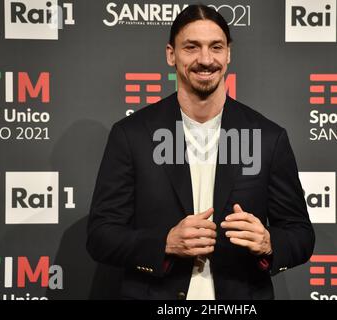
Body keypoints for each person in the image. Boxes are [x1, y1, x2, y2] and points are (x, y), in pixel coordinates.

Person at [86, 4, 314, 300]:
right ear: (171, 54)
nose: (205, 59)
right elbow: (101, 236)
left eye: (215, 47)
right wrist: (164, 243)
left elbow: (300, 234)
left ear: (228, 54)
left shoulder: (268, 137)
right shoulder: (132, 135)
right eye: (192, 47)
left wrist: (269, 242)